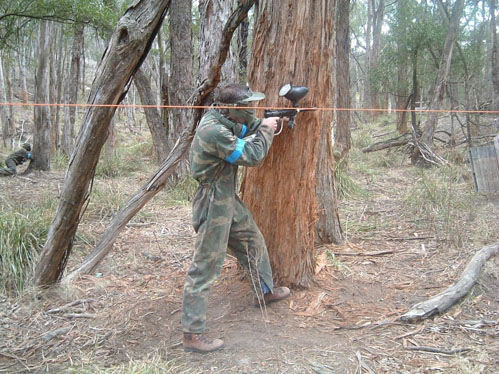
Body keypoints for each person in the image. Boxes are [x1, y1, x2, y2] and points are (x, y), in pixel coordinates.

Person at [182, 84, 291, 353]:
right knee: (205, 266)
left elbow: (245, 129)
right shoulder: (213, 130)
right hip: (212, 202)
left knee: (252, 241)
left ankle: (264, 291)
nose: (251, 111)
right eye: (247, 107)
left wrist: (272, 120)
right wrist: (266, 129)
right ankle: (192, 335)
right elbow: (252, 156)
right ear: (232, 108)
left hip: (226, 198)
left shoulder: (226, 119)